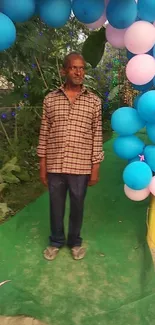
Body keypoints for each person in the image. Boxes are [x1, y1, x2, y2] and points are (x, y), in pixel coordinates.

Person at [37, 52, 104, 261]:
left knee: (77, 206)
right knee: (55, 206)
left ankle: (75, 241)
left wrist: (95, 168)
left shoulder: (93, 101)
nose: (78, 72)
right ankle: (56, 240)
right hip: (56, 165)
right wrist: (42, 165)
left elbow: (96, 136)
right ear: (64, 70)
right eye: (74, 68)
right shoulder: (50, 99)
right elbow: (44, 133)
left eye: (82, 68)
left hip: (81, 166)